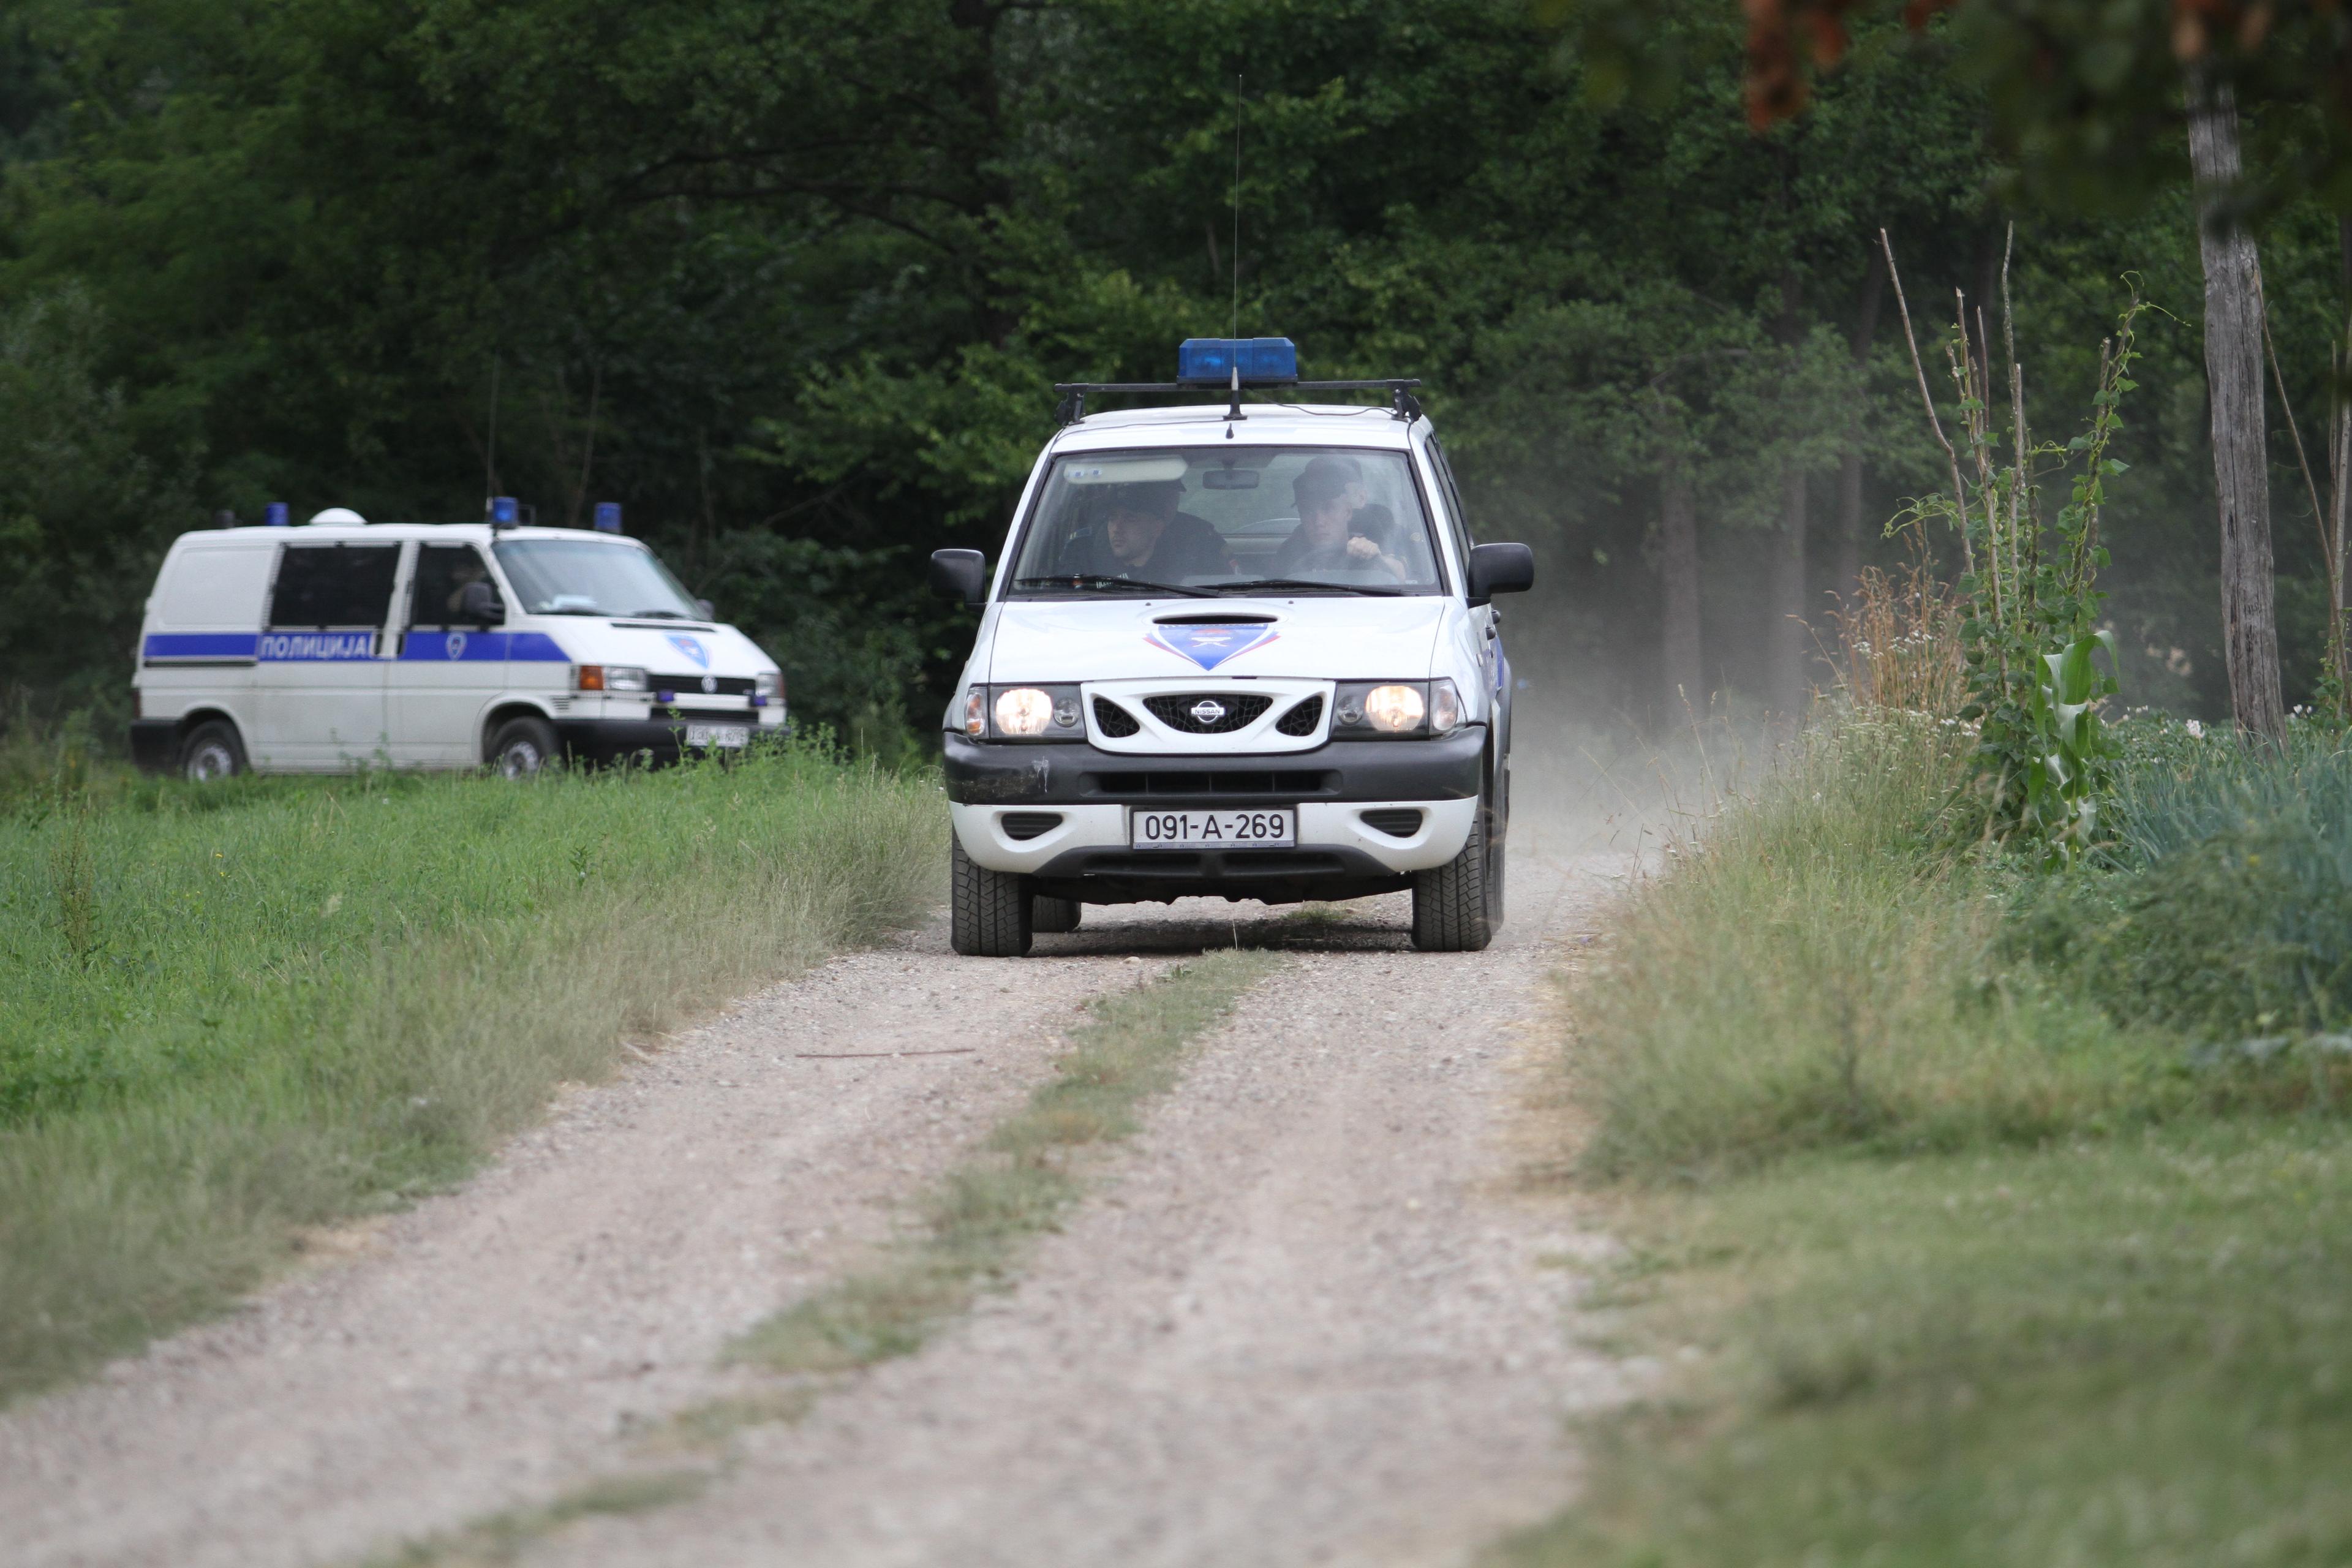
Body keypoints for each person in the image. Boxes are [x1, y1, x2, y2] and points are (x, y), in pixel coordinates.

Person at [1270, 457, 1408, 581]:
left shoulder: (1379, 533)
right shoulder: (1292, 548)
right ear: (1301, 515)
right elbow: (1271, 586)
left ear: (1348, 512)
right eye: (1308, 511)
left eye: (1328, 509)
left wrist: (1375, 556)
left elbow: (1402, 575)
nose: (1319, 521)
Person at [1088, 480, 1234, 581]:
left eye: (1170, 496)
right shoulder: (1091, 547)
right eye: (1158, 497)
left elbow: (1226, 588)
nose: (1117, 529)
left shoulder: (1201, 536)